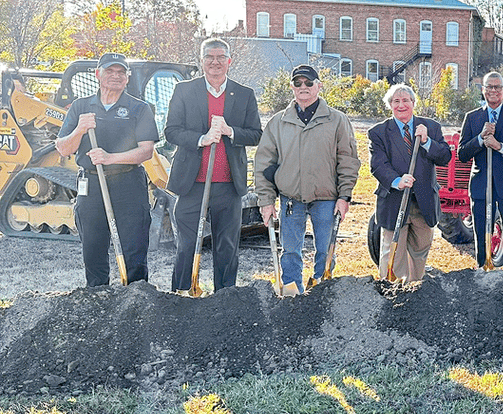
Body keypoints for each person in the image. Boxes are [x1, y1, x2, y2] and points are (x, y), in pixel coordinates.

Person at [164, 38, 262, 292]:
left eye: (220, 57)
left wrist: (230, 131)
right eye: (209, 57)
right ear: (202, 61)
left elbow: (256, 134)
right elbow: (171, 131)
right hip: (191, 183)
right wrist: (202, 139)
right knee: (187, 244)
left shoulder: (244, 94)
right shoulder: (184, 90)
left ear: (229, 61)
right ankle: (182, 293)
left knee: (226, 245)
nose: (215, 62)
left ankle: (224, 296)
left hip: (229, 184)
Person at [55, 52, 158, 286]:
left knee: (134, 247)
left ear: (127, 78)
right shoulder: (80, 107)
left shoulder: (139, 108)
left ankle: (135, 296)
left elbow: (146, 151)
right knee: (92, 247)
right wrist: (80, 129)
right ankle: (97, 295)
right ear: (97, 74)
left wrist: (110, 158)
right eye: (110, 71)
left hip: (128, 183)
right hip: (91, 185)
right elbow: (62, 148)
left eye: (121, 72)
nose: (116, 76)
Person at [254, 65, 360, 289]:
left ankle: (322, 290)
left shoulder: (337, 120)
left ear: (319, 86)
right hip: (290, 199)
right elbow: (264, 164)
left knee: (326, 250)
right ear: (292, 87)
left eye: (309, 82)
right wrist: (266, 201)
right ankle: (292, 291)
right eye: (298, 83)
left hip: (327, 199)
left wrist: (345, 196)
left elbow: (348, 161)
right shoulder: (278, 122)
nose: (303, 87)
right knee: (290, 251)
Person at [368, 83, 452, 281]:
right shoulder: (378, 132)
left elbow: (445, 157)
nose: (401, 105)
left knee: (420, 252)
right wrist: (397, 180)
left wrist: (426, 142)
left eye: (405, 100)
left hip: (424, 202)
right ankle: (392, 291)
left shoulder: (431, 127)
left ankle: (415, 290)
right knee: (393, 252)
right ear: (390, 105)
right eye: (396, 101)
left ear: (413, 103)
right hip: (394, 201)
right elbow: (378, 165)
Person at [457, 71, 503, 268]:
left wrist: (500, 147)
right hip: (481, 186)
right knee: (482, 238)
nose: (493, 90)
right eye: (489, 86)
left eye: (497, 87)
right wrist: (480, 139)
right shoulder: (472, 117)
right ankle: (483, 274)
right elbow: (462, 154)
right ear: (483, 90)